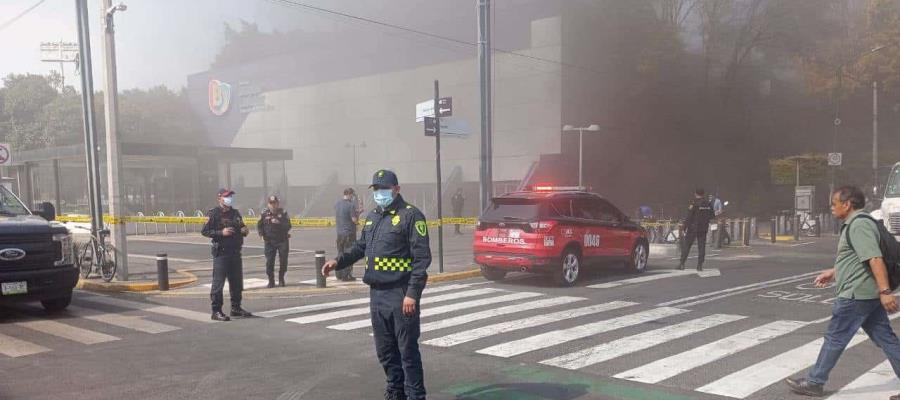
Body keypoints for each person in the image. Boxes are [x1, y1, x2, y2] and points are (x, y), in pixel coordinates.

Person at [322, 169, 431, 400]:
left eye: (385, 188)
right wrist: (338, 261)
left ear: (396, 189)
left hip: (400, 294)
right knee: (386, 351)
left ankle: (415, 396)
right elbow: (361, 247)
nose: (380, 193)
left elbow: (421, 259)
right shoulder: (372, 217)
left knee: (407, 352)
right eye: (376, 189)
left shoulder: (411, 216)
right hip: (377, 295)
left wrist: (412, 293)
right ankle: (395, 392)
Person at [785, 186, 900, 398]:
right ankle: (814, 381)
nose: (831, 208)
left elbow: (874, 258)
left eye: (834, 203)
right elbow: (858, 258)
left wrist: (885, 291)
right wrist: (834, 272)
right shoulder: (860, 223)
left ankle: (814, 382)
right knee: (887, 339)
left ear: (847, 204)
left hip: (856, 296)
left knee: (835, 338)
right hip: (866, 295)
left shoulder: (859, 225)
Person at [201, 188, 253, 321]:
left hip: (235, 252)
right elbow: (205, 231)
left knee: (236, 282)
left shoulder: (235, 213)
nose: (229, 198)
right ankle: (216, 311)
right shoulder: (213, 214)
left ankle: (236, 307)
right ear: (219, 198)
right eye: (226, 196)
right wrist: (221, 233)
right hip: (222, 253)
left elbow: (242, 226)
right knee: (218, 283)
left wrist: (244, 230)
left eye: (230, 196)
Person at [257, 195, 291, 288]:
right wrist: (261, 235)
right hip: (269, 241)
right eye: (271, 204)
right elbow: (259, 226)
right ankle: (271, 280)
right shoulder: (264, 213)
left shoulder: (283, 213)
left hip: (282, 240)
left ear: (278, 204)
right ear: (268, 204)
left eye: (275, 203)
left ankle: (281, 278)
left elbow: (289, 226)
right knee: (269, 261)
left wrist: (279, 223)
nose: (273, 205)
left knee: (283, 260)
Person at [678, 188, 714, 271]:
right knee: (701, 247)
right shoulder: (708, 204)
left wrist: (684, 227)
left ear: (695, 193)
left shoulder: (694, 203)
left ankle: (682, 264)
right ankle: (699, 265)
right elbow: (712, 216)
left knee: (687, 245)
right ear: (703, 194)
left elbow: (689, 216)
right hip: (703, 228)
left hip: (693, 228)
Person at [334, 188, 359, 282]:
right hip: (349, 233)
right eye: (352, 195)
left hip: (339, 234)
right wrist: (357, 216)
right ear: (350, 194)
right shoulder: (350, 205)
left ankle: (339, 274)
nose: (353, 197)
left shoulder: (337, 204)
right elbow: (354, 220)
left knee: (340, 253)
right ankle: (346, 275)